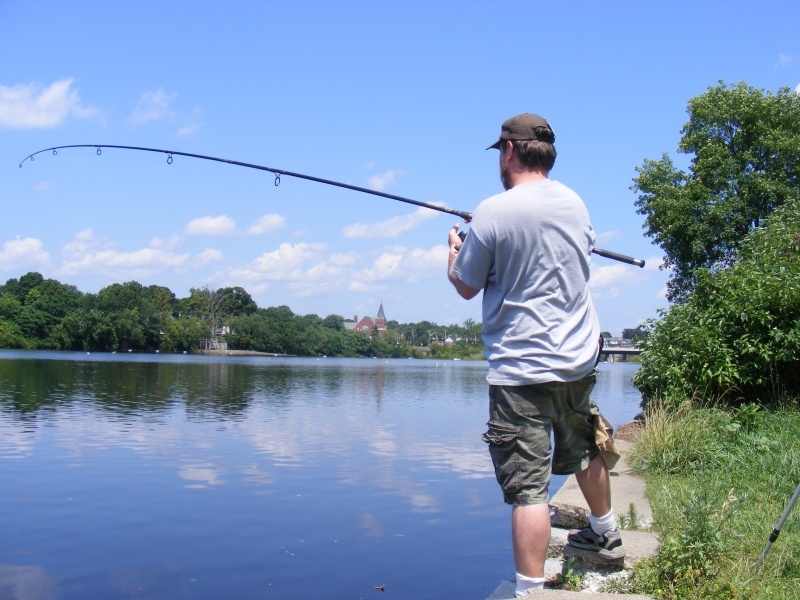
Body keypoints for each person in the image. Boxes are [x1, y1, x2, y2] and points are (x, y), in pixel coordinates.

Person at [446, 113, 624, 597]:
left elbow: (465, 284)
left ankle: (528, 590)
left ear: (509, 151)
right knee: (585, 443)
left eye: (499, 153)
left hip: (520, 369)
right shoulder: (575, 203)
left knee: (528, 488)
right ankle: (605, 531)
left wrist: (454, 248)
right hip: (577, 359)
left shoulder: (492, 212)